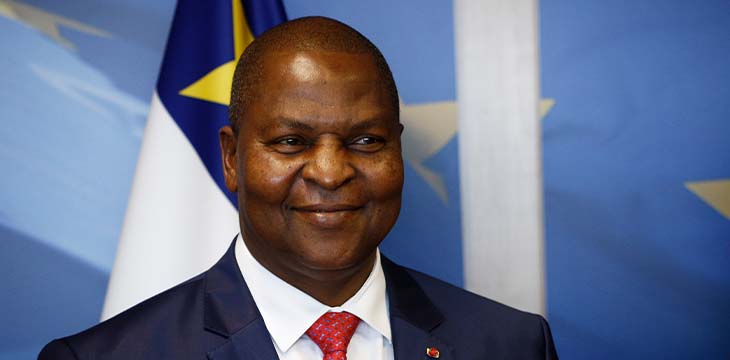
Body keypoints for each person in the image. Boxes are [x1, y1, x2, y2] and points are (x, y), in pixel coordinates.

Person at [39, 16, 558, 360]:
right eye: (291, 142)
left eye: (365, 139)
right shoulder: (104, 358)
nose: (331, 173)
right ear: (231, 158)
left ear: (396, 150)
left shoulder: (510, 344)